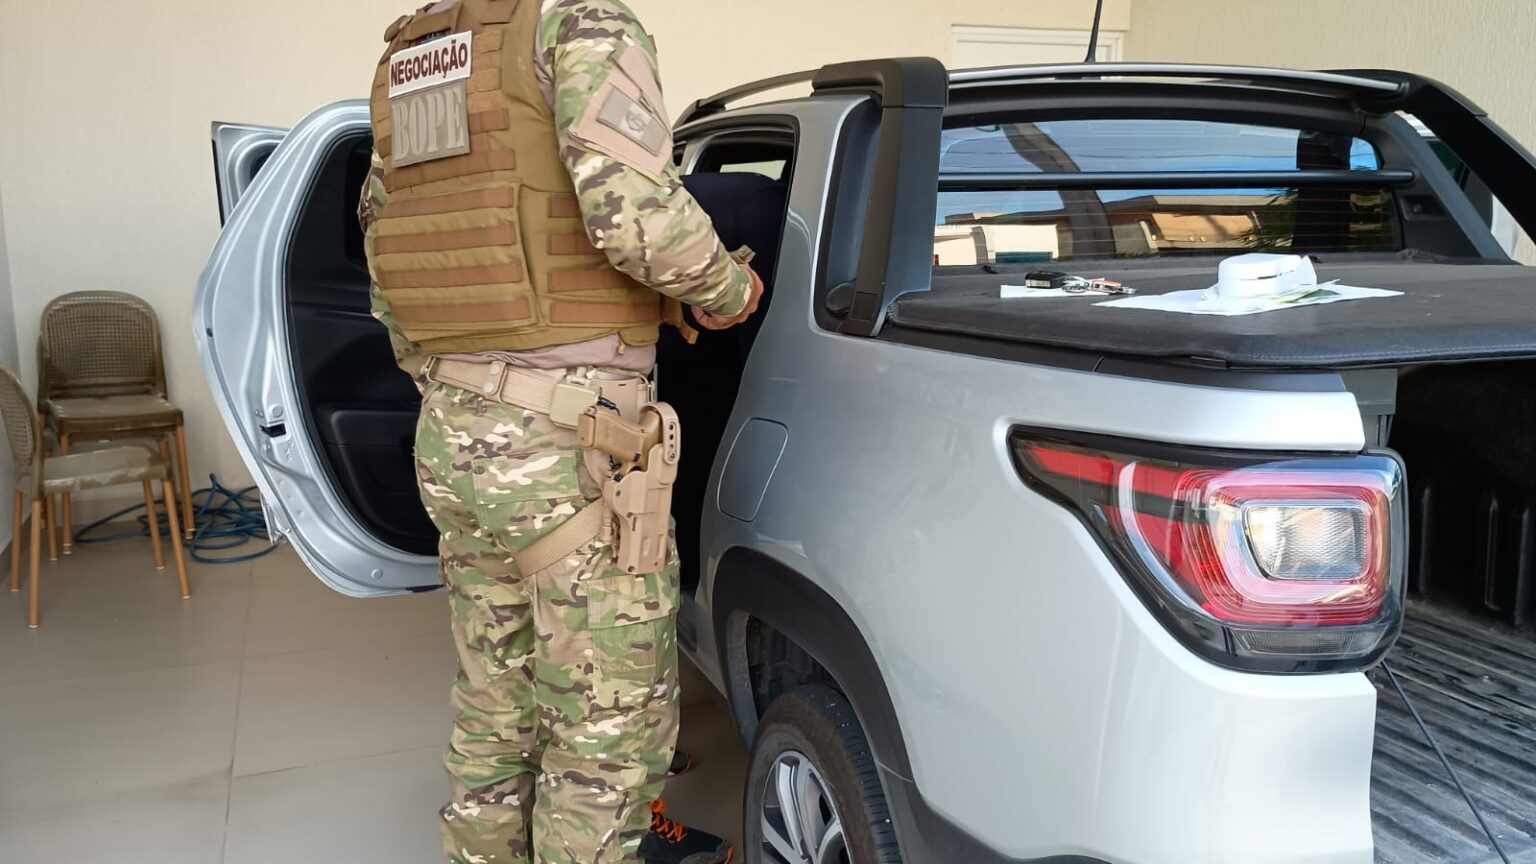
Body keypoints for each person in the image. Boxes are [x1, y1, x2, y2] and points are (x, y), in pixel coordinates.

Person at [357, 1, 764, 862]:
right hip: (568, 444)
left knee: (494, 698)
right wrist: (727, 290)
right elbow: (635, 214)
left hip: (453, 429)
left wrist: (450, 378)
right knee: (607, 728)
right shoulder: (578, 24)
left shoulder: (417, 56)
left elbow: (382, 241)